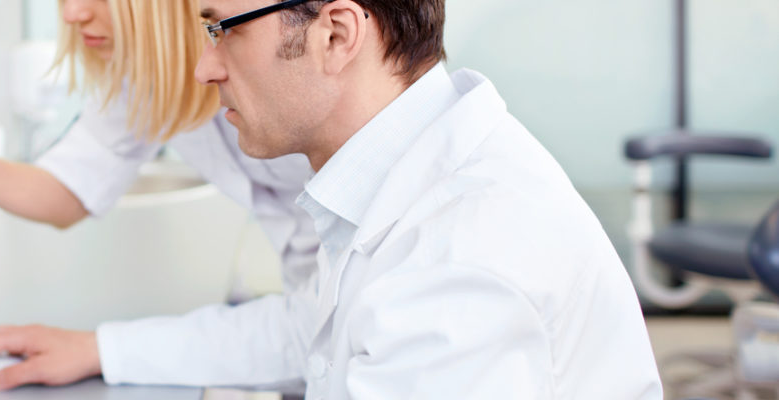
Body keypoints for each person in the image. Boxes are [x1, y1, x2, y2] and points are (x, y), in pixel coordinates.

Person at [189, 0, 664, 398]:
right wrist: (114, 348)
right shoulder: (408, 177)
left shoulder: (458, 259)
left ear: (335, 35)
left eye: (224, 31)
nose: (203, 69)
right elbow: (308, 332)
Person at [0, 0, 321, 393]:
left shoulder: (299, 80)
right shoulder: (144, 77)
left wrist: (104, 350)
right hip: (312, 314)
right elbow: (66, 191)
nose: (71, 14)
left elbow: (326, 321)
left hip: (339, 321)